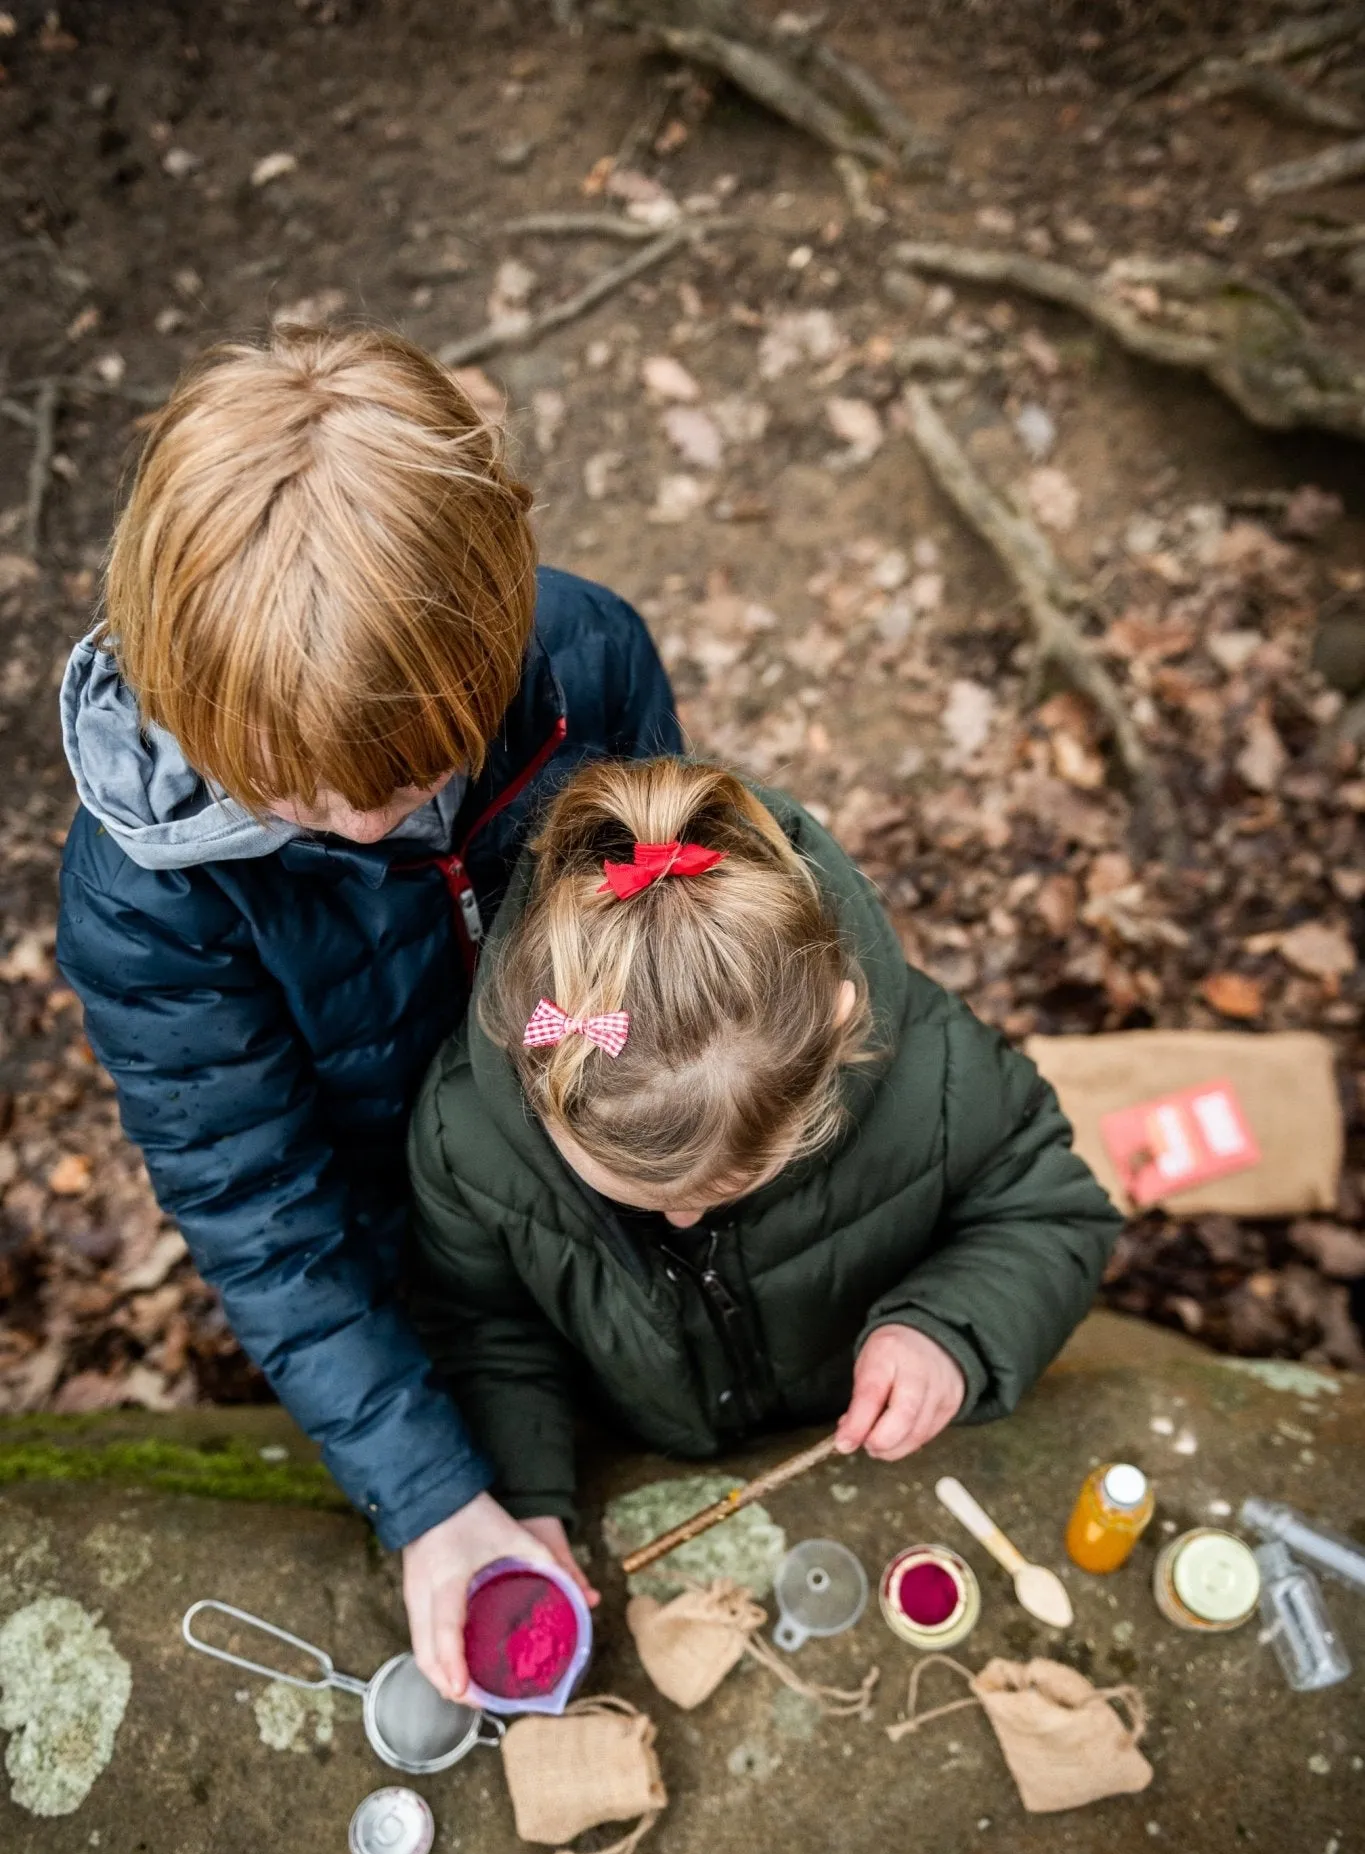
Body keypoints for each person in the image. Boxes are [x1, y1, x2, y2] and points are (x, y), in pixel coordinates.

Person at [55, 325, 682, 1664]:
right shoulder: (150, 898)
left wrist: (645, 1089)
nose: (354, 824)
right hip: (386, 1220)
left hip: (570, 1118)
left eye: (409, 782)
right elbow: (259, 1213)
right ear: (189, 692)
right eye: (293, 793)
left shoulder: (582, 661)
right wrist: (434, 1499)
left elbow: (653, 905)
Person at [408, 757, 1121, 1698]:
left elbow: (1054, 1210)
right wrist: (531, 1493)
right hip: (653, 1425)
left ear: (838, 1026)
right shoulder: (470, 1140)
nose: (682, 1219)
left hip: (839, 1412)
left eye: (726, 1183)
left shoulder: (937, 1080)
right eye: (630, 1195)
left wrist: (950, 1331)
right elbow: (484, 1327)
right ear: (543, 1079)